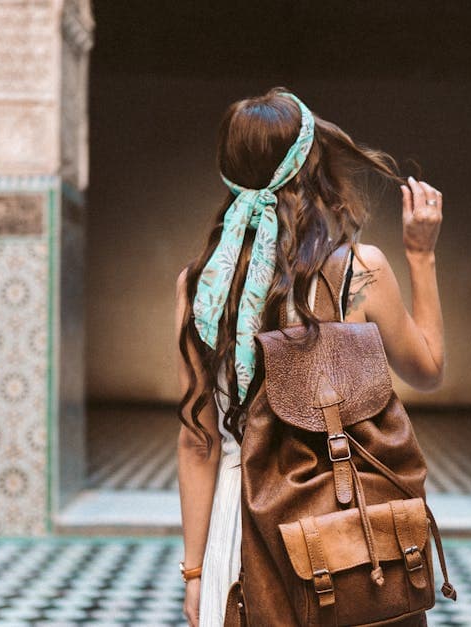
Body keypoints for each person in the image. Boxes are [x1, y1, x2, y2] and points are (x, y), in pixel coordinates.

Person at [173, 86, 445, 627]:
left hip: (240, 525)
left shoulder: (200, 287)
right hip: (342, 536)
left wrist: (197, 573)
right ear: (311, 168)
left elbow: (198, 439)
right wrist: (421, 254)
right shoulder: (359, 271)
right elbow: (429, 369)